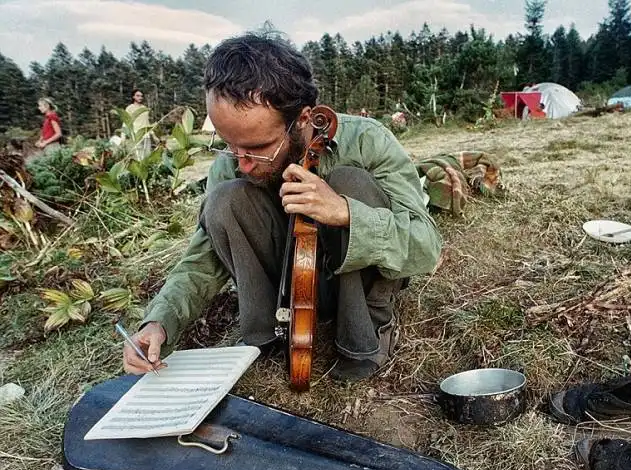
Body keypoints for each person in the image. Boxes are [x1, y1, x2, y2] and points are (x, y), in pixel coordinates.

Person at [121, 32, 442, 382]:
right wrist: (160, 322)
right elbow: (203, 257)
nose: (241, 162)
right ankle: (266, 336)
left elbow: (426, 247)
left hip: (357, 282)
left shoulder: (367, 140)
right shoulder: (235, 160)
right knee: (225, 198)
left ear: (303, 118)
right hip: (287, 288)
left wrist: (346, 213)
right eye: (229, 144)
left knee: (351, 182)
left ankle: (365, 331)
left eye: (258, 147)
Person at [125, 89, 152, 160]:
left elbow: (147, 122)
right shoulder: (129, 108)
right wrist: (123, 136)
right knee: (139, 156)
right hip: (136, 135)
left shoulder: (144, 108)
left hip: (146, 136)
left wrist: (153, 134)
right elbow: (126, 122)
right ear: (133, 97)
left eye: (141, 96)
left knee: (147, 156)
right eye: (138, 96)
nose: (140, 97)